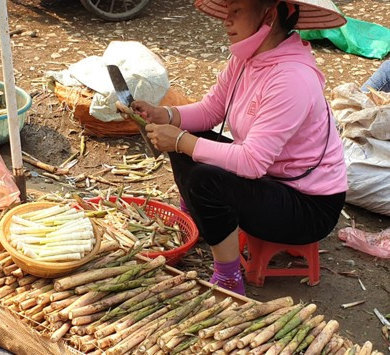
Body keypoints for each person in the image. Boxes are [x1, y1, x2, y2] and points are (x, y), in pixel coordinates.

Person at [119, 0, 348, 296]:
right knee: (188, 138)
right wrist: (166, 115)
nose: (227, 20)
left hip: (309, 205)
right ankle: (199, 218)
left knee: (205, 179)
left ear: (269, 13)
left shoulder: (292, 78)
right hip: (272, 179)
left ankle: (228, 278)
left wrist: (179, 140)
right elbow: (212, 109)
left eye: (237, 10)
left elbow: (252, 162)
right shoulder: (245, 59)